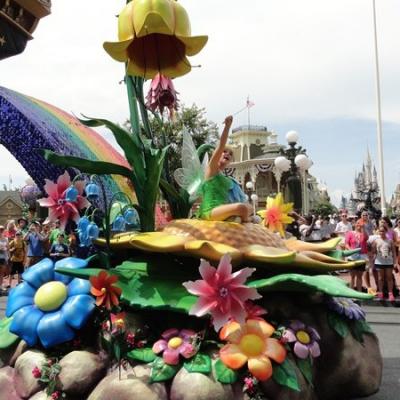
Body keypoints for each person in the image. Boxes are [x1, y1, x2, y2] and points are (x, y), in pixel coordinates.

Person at [197, 115, 252, 222]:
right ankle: (247, 221)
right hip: (210, 211)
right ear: (217, 154)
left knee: (249, 207)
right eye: (224, 152)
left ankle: (239, 218)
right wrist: (227, 127)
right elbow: (221, 145)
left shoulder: (227, 179)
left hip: (222, 209)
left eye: (231, 154)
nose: (227, 154)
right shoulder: (211, 169)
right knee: (241, 208)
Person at [372, 225, 398, 301]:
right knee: (380, 278)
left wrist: (395, 262)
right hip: (379, 262)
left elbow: (393, 252)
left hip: (389, 262)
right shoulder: (376, 241)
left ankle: (390, 293)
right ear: (378, 232)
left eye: (383, 231)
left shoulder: (390, 241)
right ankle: (381, 293)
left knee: (389, 278)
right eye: (380, 231)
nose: (381, 232)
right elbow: (374, 252)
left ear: (386, 232)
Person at [345, 221, 368, 292]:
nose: (359, 224)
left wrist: (363, 228)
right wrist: (351, 250)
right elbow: (346, 244)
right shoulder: (350, 233)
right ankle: (352, 293)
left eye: (360, 223)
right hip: (352, 256)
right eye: (357, 223)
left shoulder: (363, 233)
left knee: (359, 276)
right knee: (352, 276)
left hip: (361, 256)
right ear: (354, 224)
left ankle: (359, 292)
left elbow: (366, 238)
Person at [0, 226, 9, 294]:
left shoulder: (6, 239)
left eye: (2, 230)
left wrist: (7, 259)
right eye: (0, 230)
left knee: (2, 273)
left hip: (3, 258)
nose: (1, 231)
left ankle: (0, 286)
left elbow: (7, 249)